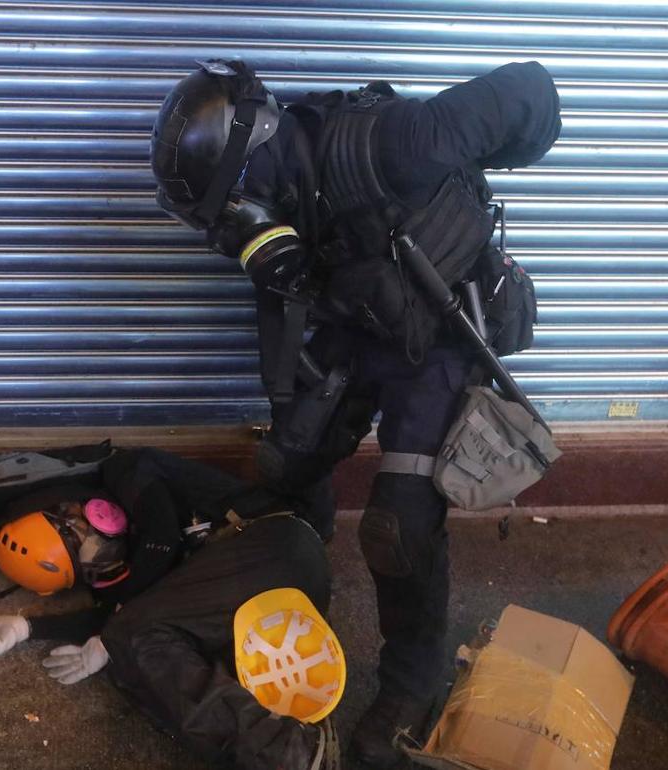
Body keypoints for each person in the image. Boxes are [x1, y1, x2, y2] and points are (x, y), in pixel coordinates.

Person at [150, 60, 561, 767]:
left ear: (255, 161)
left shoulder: (388, 144)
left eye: (230, 209)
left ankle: (411, 686)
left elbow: (533, 94)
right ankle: (295, 584)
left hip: (435, 336)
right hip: (360, 321)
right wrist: (292, 413)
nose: (233, 227)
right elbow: (279, 322)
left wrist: (479, 171)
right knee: (287, 462)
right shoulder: (280, 195)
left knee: (396, 528)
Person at [0, 448, 343, 770]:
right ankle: (274, 748)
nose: (101, 555)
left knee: (130, 638)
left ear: (75, 507)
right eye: (87, 567)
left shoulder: (126, 469)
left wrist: (115, 629)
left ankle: (291, 753)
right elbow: (130, 615)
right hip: (262, 612)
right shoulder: (127, 577)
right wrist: (23, 629)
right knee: (134, 667)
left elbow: (163, 540)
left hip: (276, 548)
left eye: (78, 535)